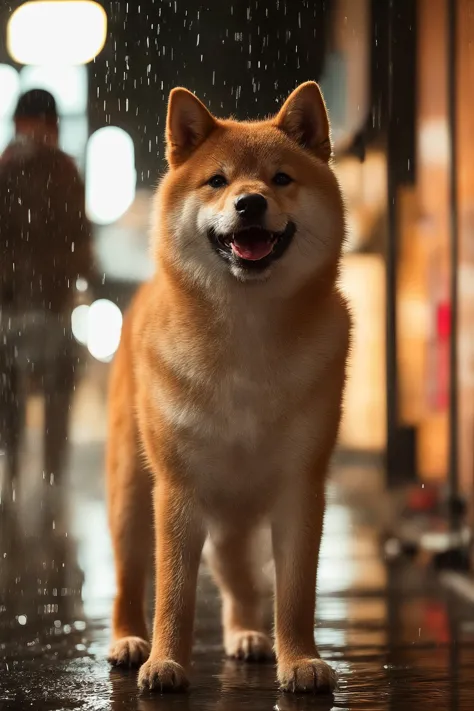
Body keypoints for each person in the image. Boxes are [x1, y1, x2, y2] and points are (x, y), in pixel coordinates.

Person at [0, 89, 94, 513]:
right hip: (29, 303)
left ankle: (22, 477)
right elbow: (80, 239)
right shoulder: (60, 171)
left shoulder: (22, 169)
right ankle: (36, 478)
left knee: (21, 395)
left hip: (25, 304)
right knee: (47, 392)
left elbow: (79, 238)